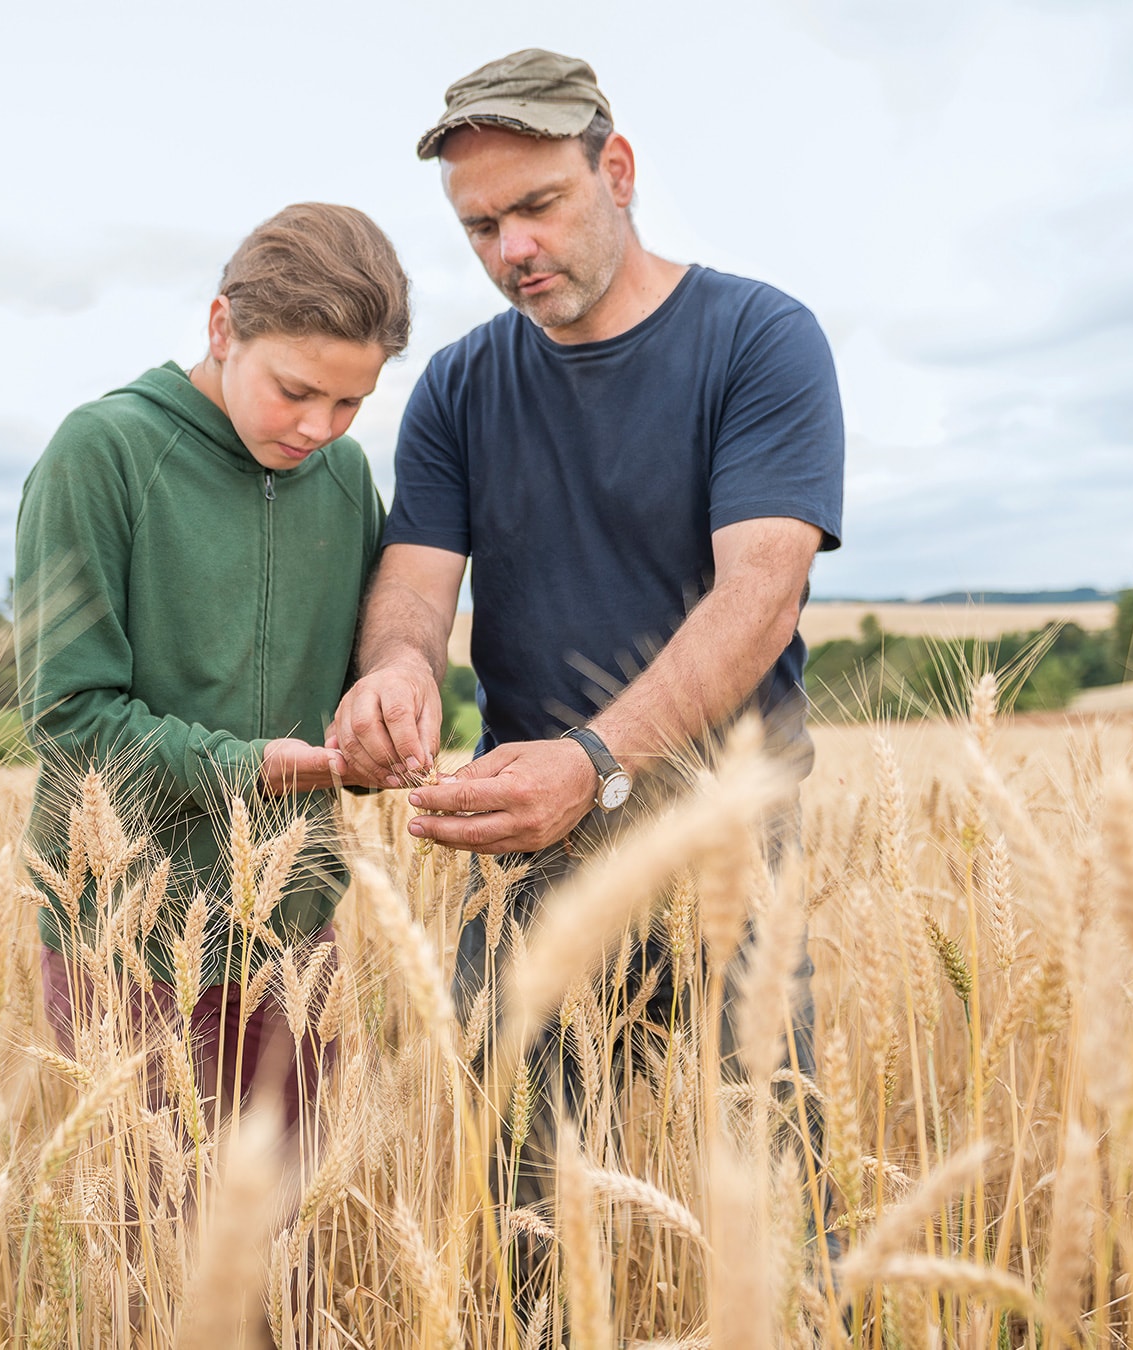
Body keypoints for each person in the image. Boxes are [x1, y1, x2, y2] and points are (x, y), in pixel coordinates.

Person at [327, 43, 847, 1285]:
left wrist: (601, 759)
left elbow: (761, 593)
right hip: (530, 838)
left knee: (771, 1200)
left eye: (538, 206)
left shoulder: (759, 340)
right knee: (525, 1226)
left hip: (724, 833)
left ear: (615, 170)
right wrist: (394, 675)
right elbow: (412, 588)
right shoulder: (457, 386)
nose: (511, 248)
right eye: (480, 227)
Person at [15, 203, 408, 1128]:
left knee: (294, 1242)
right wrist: (251, 768)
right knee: (151, 1243)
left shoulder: (348, 480)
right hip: (125, 935)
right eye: (296, 389)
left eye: (350, 402)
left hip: (296, 931)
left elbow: (361, 676)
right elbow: (68, 716)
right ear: (222, 326)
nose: (320, 426)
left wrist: (384, 728)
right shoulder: (101, 453)